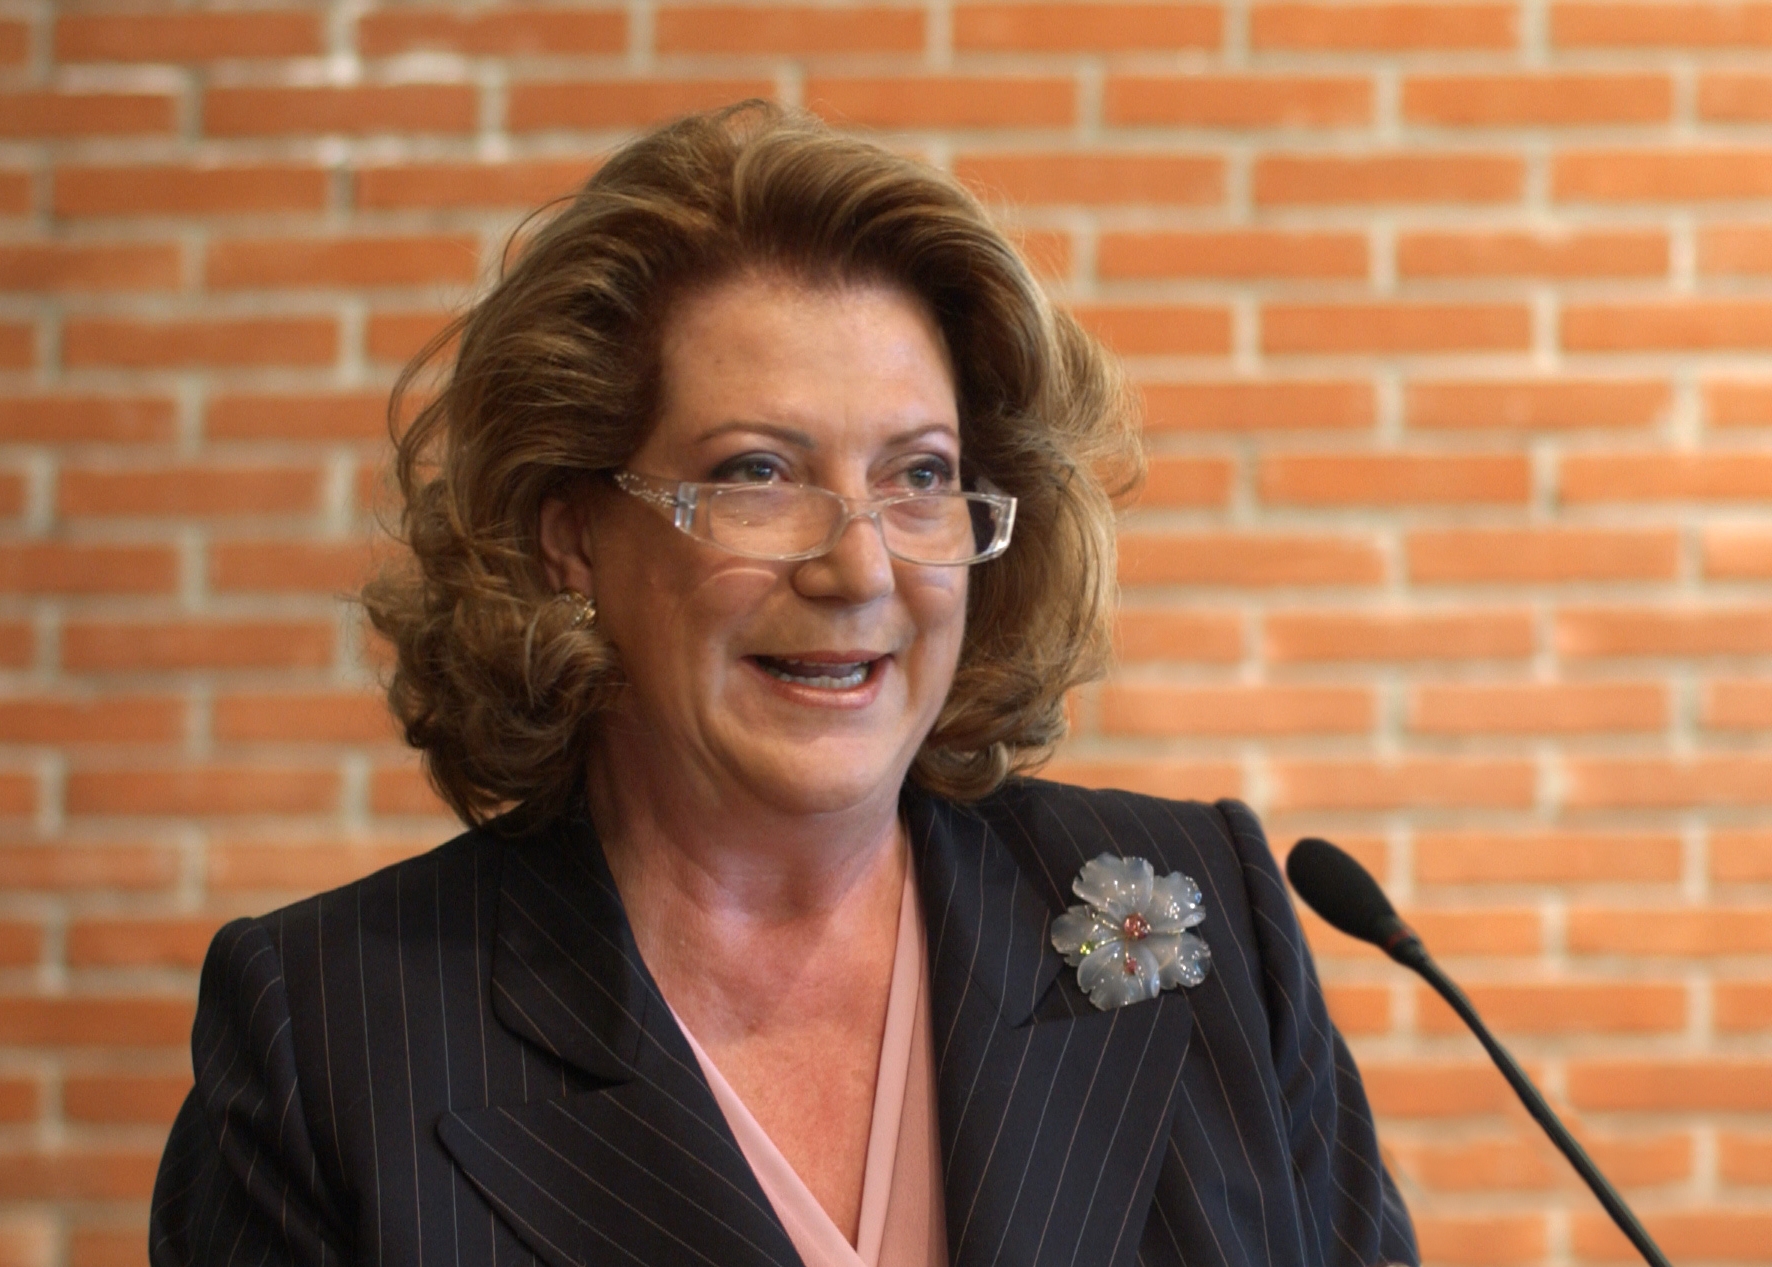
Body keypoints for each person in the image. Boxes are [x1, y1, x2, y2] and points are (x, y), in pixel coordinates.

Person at [150, 102, 1418, 1267]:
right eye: (757, 472)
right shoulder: (329, 1035)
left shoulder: (1198, 917)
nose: (857, 566)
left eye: (919, 476)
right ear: (571, 533)